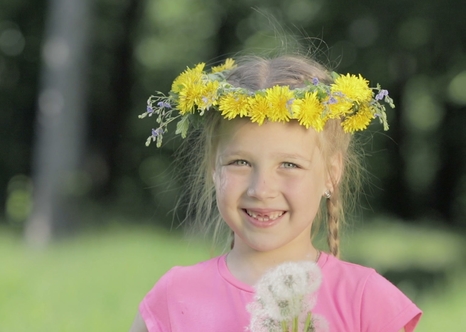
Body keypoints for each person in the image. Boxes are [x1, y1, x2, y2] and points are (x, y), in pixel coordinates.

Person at [129, 55, 422, 332]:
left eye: (289, 164)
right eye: (240, 162)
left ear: (331, 174)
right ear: (213, 167)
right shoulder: (174, 296)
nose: (261, 189)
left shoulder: (366, 301)